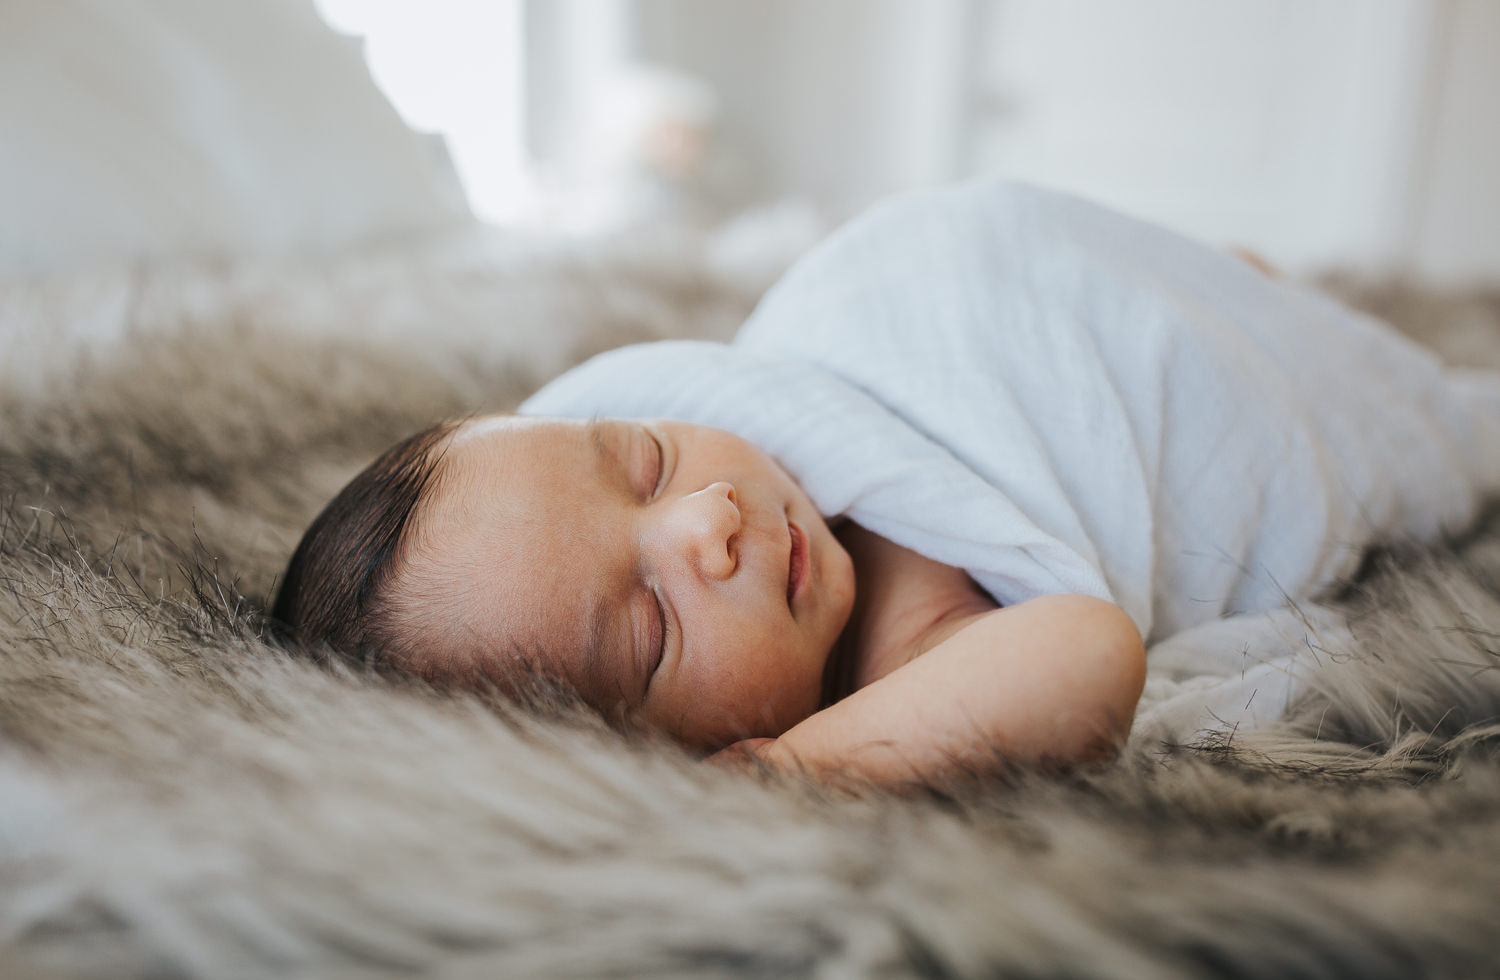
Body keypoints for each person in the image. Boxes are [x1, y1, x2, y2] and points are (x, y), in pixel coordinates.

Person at [272, 180, 1500, 788]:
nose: (708, 519)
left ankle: (1225, 290)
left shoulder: (790, 424)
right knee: (1262, 348)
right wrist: (806, 774)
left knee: (1190, 304)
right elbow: (1086, 651)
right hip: (1175, 387)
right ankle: (1246, 303)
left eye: (644, 458)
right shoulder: (921, 637)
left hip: (1001, 290)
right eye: (648, 626)